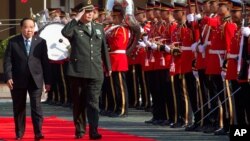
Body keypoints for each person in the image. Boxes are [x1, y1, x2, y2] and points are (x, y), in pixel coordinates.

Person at [61, 0, 111, 140]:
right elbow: (65, 32)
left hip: (95, 70)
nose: (89, 14)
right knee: (79, 103)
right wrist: (76, 18)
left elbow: (103, 49)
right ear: (80, 13)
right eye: (86, 11)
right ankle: (80, 130)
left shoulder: (99, 27)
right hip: (77, 71)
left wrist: (108, 66)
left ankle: (94, 130)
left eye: (91, 11)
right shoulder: (75, 27)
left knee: (93, 102)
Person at [3, 17, 51, 140]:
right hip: (17, 80)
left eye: (31, 27)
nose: (28, 30)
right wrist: (8, 77)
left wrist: (48, 81)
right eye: (26, 27)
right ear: (21, 28)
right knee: (19, 108)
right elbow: (7, 61)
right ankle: (19, 133)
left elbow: (45, 63)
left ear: (34, 28)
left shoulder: (41, 42)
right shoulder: (13, 42)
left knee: (37, 107)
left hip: (36, 80)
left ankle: (38, 133)